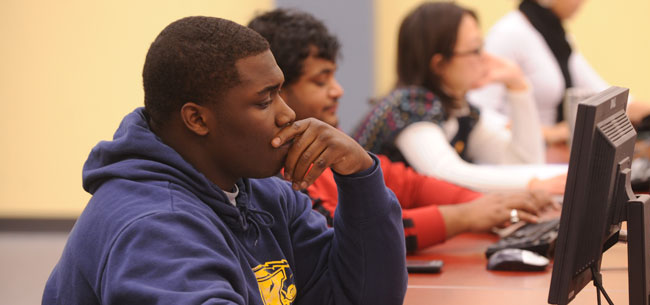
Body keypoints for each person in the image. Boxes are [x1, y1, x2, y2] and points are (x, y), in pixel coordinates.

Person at [43, 16, 406, 305]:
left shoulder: (264, 192)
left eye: (280, 93)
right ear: (198, 119)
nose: (288, 114)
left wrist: (360, 175)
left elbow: (364, 296)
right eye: (264, 101)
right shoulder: (153, 228)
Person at [248, 8, 558, 252]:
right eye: (321, 81)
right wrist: (472, 212)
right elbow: (337, 229)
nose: (338, 91)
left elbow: (408, 183)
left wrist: (488, 204)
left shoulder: (459, 111)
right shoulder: (409, 106)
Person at [351, 2, 566, 193]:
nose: (486, 58)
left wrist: (518, 86)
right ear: (440, 65)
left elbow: (523, 162)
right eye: (475, 49)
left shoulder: (459, 111)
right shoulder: (408, 105)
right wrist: (532, 183)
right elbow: (444, 173)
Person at [468, 0, 650, 143]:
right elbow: (479, 113)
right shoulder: (508, 34)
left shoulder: (556, 36)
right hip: (518, 155)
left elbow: (603, 94)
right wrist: (551, 133)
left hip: (550, 152)